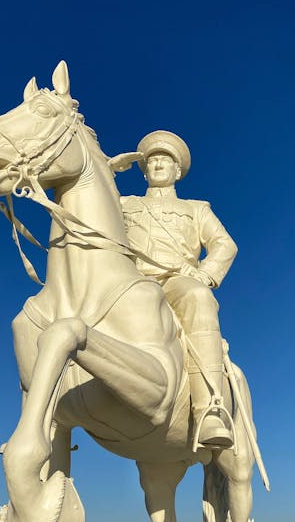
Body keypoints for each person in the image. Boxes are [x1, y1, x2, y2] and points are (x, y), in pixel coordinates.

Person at [118, 130, 237, 448]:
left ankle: (211, 410)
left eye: (165, 160)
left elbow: (225, 244)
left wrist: (203, 274)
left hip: (175, 283)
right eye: (152, 160)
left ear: (177, 171)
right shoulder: (123, 204)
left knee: (199, 298)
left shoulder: (197, 209)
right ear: (143, 170)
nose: (158, 164)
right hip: (130, 282)